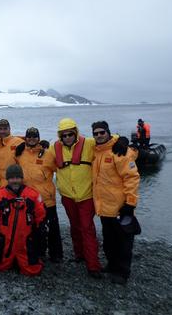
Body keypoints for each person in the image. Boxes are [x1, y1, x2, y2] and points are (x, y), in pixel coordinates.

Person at [42, 118, 102, 278]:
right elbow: (41, 161)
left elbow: (106, 142)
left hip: (86, 196)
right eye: (64, 135)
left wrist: (119, 140)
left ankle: (93, 266)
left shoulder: (89, 144)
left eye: (70, 134)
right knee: (74, 227)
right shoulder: (55, 149)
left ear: (75, 133)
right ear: (60, 136)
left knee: (87, 228)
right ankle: (79, 254)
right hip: (68, 196)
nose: (67, 137)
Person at [92, 121, 140, 285]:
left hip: (120, 207)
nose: (99, 135)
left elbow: (132, 177)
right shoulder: (96, 151)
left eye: (102, 132)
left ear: (108, 132)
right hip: (104, 207)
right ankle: (112, 265)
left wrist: (130, 202)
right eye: (96, 133)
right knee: (109, 241)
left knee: (124, 242)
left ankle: (122, 272)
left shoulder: (119, 151)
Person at [0, 164, 46, 276]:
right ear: (7, 179)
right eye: (12, 178)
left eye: (17, 178)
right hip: (4, 240)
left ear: (22, 179)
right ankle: (12, 260)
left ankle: (20, 260)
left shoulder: (32, 195)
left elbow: (40, 216)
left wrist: (40, 232)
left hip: (25, 241)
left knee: (32, 270)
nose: (15, 181)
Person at [15, 127, 63, 263]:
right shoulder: (19, 153)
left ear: (39, 138)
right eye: (29, 136)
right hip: (28, 199)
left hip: (46, 198)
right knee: (33, 227)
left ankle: (56, 254)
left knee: (52, 226)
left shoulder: (48, 154)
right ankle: (39, 251)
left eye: (34, 136)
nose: (31, 139)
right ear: (26, 138)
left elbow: (61, 169)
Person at [0, 119, 24, 191]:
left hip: (12, 185)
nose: (3, 131)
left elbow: (31, 144)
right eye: (0, 129)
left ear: (9, 129)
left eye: (5, 129)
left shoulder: (18, 142)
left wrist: (42, 145)